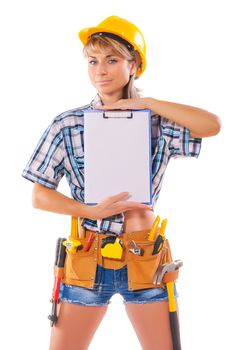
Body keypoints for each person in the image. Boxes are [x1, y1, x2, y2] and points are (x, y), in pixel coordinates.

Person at [22, 16, 221, 350]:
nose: (101, 70)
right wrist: (89, 208)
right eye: (93, 61)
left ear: (135, 66)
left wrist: (148, 104)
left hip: (145, 257)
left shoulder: (158, 121)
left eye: (112, 60)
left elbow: (211, 125)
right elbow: (39, 196)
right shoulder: (68, 124)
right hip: (87, 256)